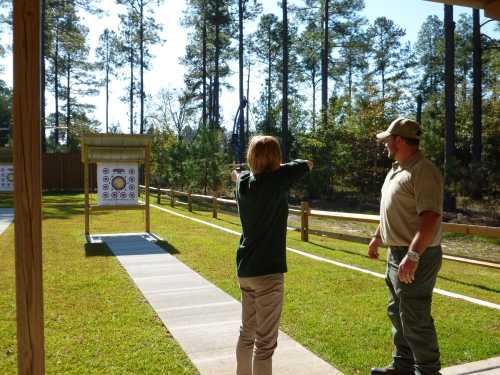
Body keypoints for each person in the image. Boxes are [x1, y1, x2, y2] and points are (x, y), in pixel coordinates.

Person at [231, 135, 313, 375]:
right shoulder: (278, 180)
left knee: (247, 332)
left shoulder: (243, 182)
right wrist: (279, 168)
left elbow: (238, 175)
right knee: (265, 343)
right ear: (276, 159)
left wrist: (240, 172)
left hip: (245, 270)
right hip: (267, 273)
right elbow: (307, 164)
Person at [368, 117, 444, 375]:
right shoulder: (396, 169)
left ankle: (428, 371)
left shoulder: (423, 170)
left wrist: (413, 254)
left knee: (414, 316)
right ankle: (402, 365)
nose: (385, 145)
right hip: (396, 253)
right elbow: (390, 210)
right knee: (396, 310)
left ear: (398, 140)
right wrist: (378, 236)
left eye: (387, 140)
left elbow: (430, 217)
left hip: (417, 255)